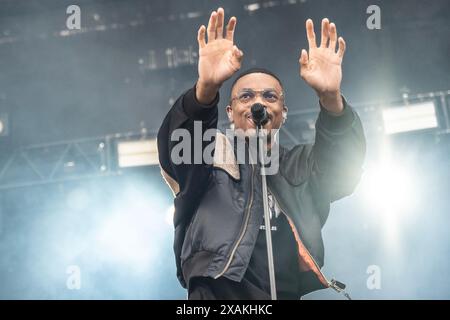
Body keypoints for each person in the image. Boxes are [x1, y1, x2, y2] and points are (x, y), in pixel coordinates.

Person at [157, 7, 366, 299]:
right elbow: (175, 149)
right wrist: (206, 89)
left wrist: (331, 99)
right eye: (246, 96)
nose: (258, 103)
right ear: (230, 112)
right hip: (218, 293)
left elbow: (343, 169)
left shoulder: (299, 163)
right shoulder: (211, 155)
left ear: (283, 114)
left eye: (270, 96)